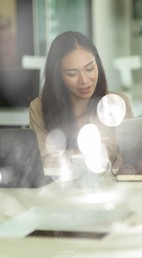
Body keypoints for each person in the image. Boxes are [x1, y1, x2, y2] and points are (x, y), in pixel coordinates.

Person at [29, 31, 133, 172]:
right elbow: (46, 161)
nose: (84, 80)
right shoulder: (39, 107)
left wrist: (70, 157)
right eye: (72, 74)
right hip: (60, 190)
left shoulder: (117, 103)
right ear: (57, 75)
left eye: (90, 68)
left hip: (108, 189)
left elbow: (130, 160)